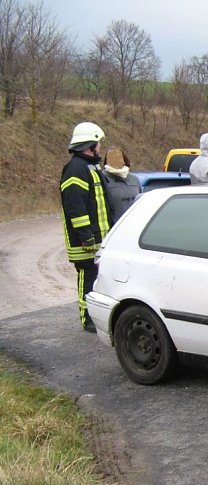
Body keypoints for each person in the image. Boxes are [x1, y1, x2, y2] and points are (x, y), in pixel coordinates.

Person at [60, 121, 113, 333]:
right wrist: (86, 236)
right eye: (98, 142)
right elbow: (76, 207)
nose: (100, 146)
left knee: (96, 276)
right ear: (91, 145)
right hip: (85, 241)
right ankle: (87, 318)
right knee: (87, 275)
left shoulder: (89, 167)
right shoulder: (76, 169)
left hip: (97, 237)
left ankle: (95, 314)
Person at [101, 147, 142, 224]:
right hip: (113, 229)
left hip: (135, 227)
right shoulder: (102, 179)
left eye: (118, 157)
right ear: (106, 161)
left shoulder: (134, 179)